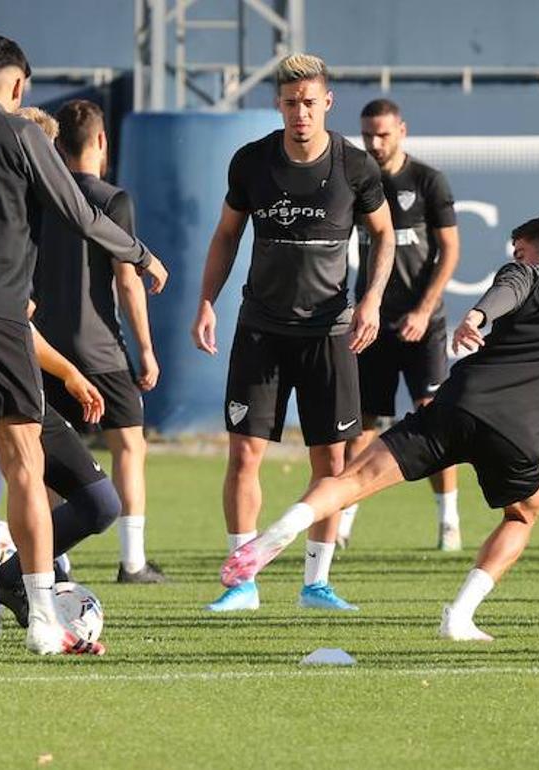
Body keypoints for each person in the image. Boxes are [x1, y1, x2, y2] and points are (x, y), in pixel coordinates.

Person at [219, 215, 539, 640]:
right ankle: (460, 616)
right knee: (522, 516)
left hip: (458, 408)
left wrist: (477, 316)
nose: (516, 258)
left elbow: (503, 291)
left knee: (352, 481)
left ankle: (275, 535)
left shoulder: (526, 275)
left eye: (522, 251)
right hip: (518, 438)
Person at [0, 33, 166, 656]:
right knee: (24, 465)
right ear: (18, 87)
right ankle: (43, 617)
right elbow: (79, 211)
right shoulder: (22, 136)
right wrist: (141, 255)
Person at [191, 53, 395, 613]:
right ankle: (241, 583)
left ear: (327, 103)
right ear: (277, 105)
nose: (300, 112)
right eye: (290, 103)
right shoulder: (252, 162)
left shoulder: (356, 168)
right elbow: (226, 236)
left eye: (310, 102)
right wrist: (207, 301)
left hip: (330, 335)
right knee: (244, 455)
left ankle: (316, 584)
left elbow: (384, 236)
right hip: (260, 330)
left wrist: (371, 300)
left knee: (332, 465)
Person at [34, 98, 166, 584]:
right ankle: (132, 561)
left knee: (44, 455)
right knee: (129, 445)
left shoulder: (41, 196)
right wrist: (146, 350)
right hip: (101, 349)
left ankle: (51, 558)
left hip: (46, 348)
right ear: (102, 141)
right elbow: (128, 280)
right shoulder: (114, 200)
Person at [337, 98, 462, 551]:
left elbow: (449, 250)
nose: (375, 142)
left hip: (422, 323)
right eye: (368, 134)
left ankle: (449, 522)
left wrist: (424, 309)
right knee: (363, 423)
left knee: (434, 417)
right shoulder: (356, 181)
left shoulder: (427, 181)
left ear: (402, 131)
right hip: (372, 322)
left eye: (384, 134)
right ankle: (344, 522)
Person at [0, 319, 120, 637]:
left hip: (18, 386)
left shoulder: (14, 271)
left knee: (102, 505)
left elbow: (19, 321)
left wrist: (68, 372)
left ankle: (9, 578)